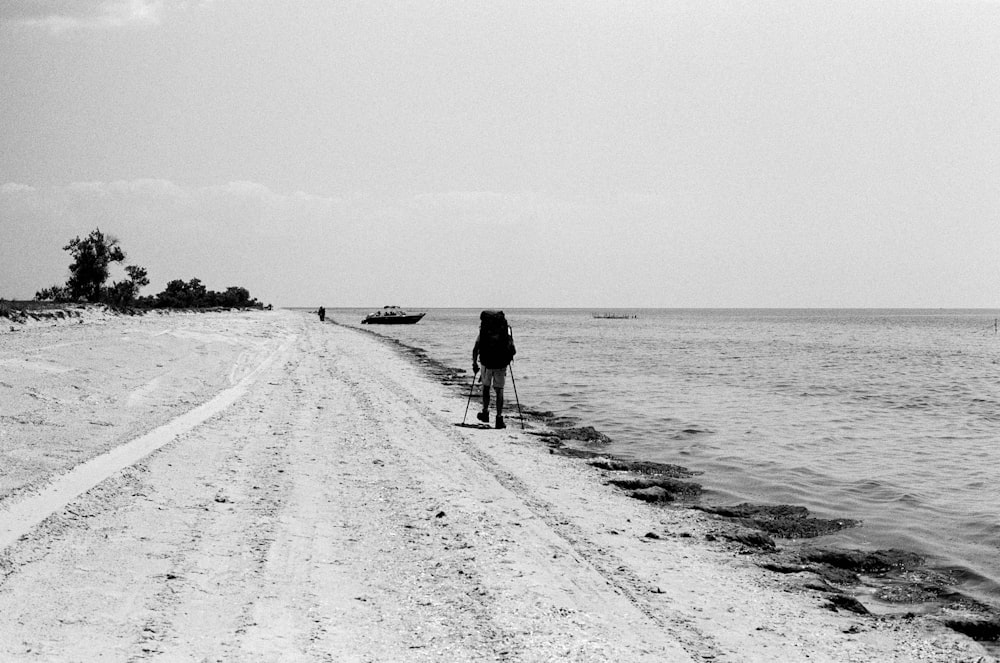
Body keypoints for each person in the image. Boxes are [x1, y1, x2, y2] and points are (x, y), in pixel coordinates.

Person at [472, 310, 516, 429]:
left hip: (486, 363)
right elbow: (511, 347)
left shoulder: (484, 331)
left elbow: (475, 348)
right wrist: (508, 358)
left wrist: (474, 364)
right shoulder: (506, 330)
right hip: (501, 363)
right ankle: (499, 418)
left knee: (486, 387)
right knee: (499, 390)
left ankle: (485, 412)